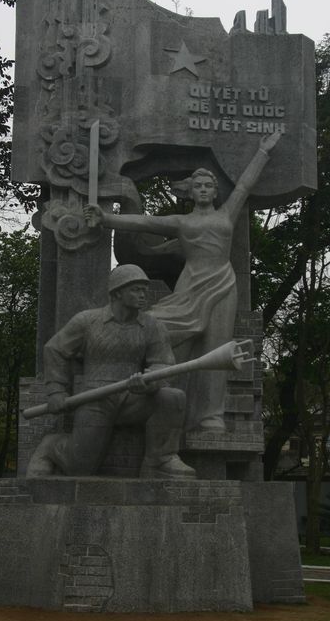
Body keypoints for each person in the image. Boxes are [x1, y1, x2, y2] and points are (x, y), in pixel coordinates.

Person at [84, 132, 281, 433]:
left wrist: (263, 152)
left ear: (215, 192)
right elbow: (144, 222)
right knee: (158, 327)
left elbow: (244, 185)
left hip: (223, 285)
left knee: (217, 347)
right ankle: (153, 393)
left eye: (208, 186)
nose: (203, 189)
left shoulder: (227, 213)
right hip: (190, 287)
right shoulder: (181, 222)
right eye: (197, 186)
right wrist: (107, 219)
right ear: (189, 192)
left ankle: (210, 416)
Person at [26, 264, 195, 479]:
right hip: (95, 398)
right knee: (80, 467)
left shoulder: (153, 326)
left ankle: (160, 460)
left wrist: (150, 380)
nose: (143, 295)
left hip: (135, 396)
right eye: (136, 289)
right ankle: (51, 447)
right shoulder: (88, 321)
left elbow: (164, 363)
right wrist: (56, 390)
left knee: (173, 398)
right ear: (117, 293)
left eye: (144, 289)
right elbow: (55, 350)